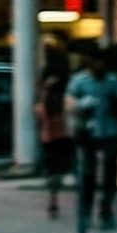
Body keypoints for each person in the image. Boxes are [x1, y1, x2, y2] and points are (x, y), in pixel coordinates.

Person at [67, 50, 117, 232]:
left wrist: (116, 105)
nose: (100, 67)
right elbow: (70, 103)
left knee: (110, 172)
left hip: (110, 130)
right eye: (97, 63)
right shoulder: (80, 81)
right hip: (88, 131)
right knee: (89, 173)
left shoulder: (113, 80)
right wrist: (81, 105)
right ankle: (86, 211)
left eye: (103, 64)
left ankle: (106, 211)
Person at [39, 61, 74, 219]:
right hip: (65, 132)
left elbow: (40, 112)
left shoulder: (45, 88)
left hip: (50, 133)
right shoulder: (66, 86)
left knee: (53, 169)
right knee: (64, 166)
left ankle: (53, 202)